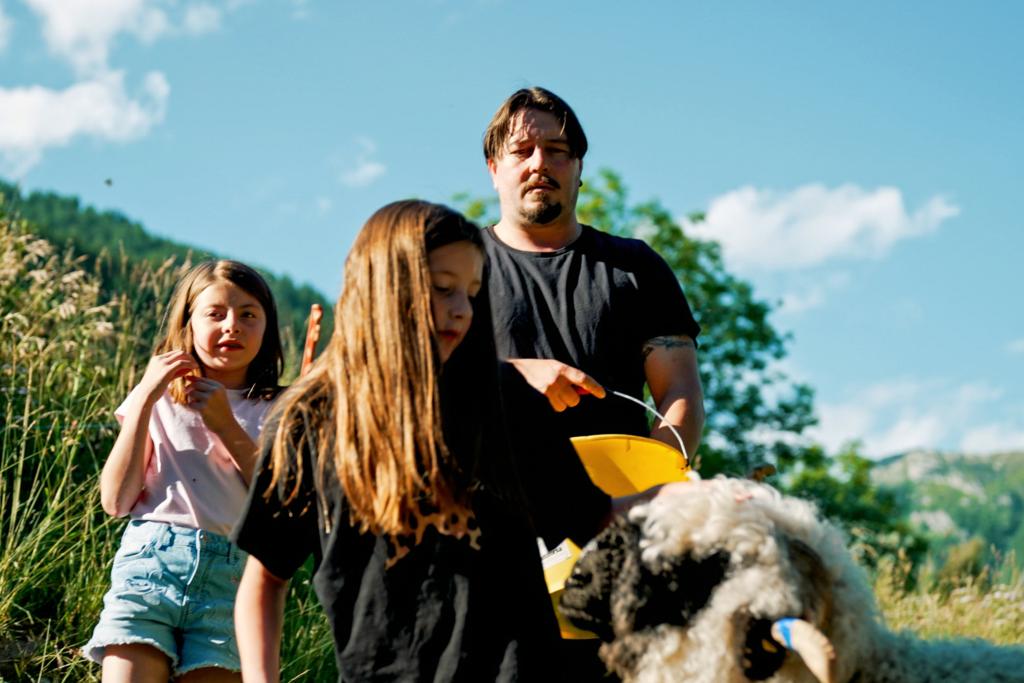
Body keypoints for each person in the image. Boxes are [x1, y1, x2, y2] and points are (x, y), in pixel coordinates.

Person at [232, 200, 614, 682]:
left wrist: (692, 506)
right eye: (442, 288)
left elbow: (596, 519)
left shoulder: (508, 402)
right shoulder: (309, 419)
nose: (461, 309)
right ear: (383, 286)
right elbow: (265, 579)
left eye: (472, 293)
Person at [83, 260, 284, 681]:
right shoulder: (158, 398)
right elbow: (116, 500)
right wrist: (144, 395)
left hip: (231, 582)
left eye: (248, 314)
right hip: (149, 565)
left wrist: (225, 424)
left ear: (267, 329)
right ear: (188, 324)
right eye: (215, 313)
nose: (232, 326)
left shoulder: (280, 409)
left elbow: (277, 504)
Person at [482, 87, 705, 457]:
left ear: (579, 167)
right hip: (483, 492)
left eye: (556, 150)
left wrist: (653, 484)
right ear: (494, 169)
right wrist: (514, 374)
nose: (539, 163)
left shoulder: (637, 266)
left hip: (618, 491)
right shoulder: (452, 271)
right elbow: (413, 381)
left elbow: (679, 392)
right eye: (522, 151)